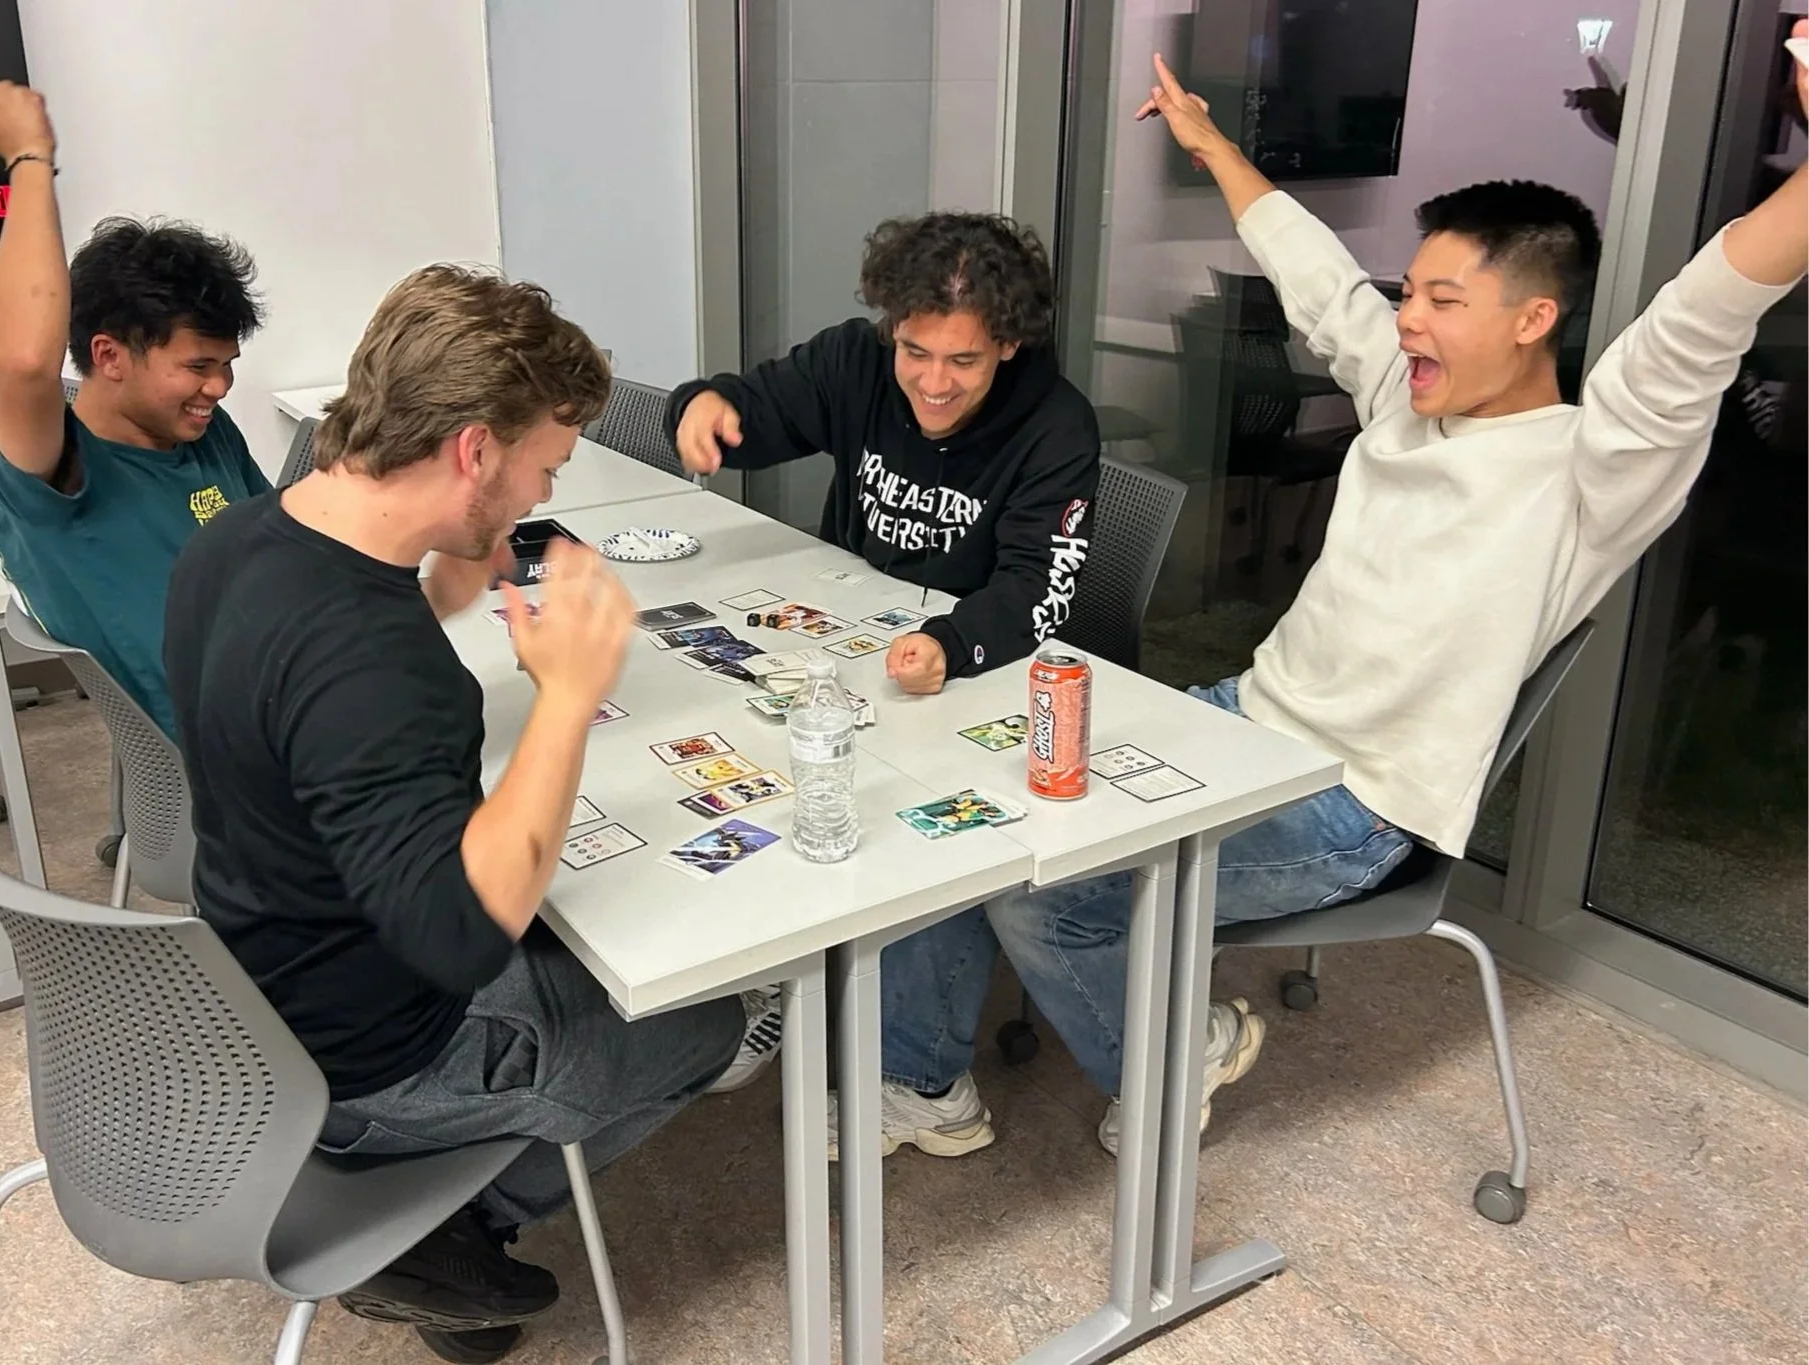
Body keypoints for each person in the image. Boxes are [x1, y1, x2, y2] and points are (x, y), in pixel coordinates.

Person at [856, 53, 1809, 1162]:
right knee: (955, 797)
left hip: (1358, 803)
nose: (1405, 319)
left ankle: (1181, 1057)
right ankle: (924, 1086)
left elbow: (1705, 309)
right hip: (1242, 718)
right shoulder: (1405, 406)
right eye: (1407, 291)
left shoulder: (1593, 466)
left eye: (1441, 300)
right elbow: (1316, 280)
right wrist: (1209, 144)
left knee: (1045, 899)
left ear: (1530, 317)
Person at [163, 264, 744, 1363]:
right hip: (372, 1060)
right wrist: (568, 696)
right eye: (539, 470)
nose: (536, 501)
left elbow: (313, 742)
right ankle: (438, 1230)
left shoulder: (235, 541)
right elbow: (462, 935)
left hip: (253, 992)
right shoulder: (371, 666)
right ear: (473, 449)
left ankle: (438, 1228)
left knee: (593, 946)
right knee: (707, 1019)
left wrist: (442, 588)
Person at [668, 211, 1102, 698]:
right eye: (915, 353)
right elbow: (755, 412)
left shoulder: (1057, 426)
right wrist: (703, 406)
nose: (934, 384)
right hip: (842, 630)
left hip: (971, 667)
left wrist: (953, 644)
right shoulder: (854, 360)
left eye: (963, 361)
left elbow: (1036, 584)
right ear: (894, 326)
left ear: (1008, 344)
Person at [0, 80, 267, 740]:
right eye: (197, 366)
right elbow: (24, 363)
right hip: (236, 761)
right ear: (110, 355)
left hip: (289, 685)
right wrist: (29, 155)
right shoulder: (54, 471)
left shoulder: (202, 431)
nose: (218, 387)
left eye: (227, 366)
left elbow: (278, 549)